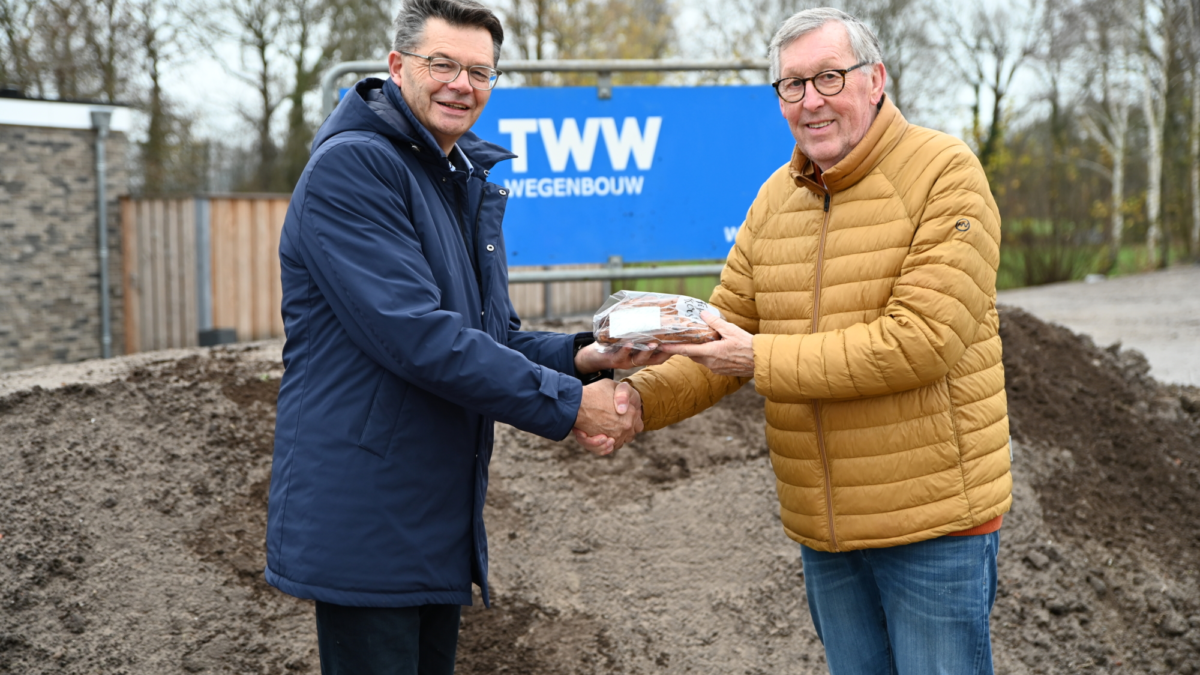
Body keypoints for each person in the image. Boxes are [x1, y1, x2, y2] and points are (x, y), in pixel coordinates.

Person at [584, 7, 1012, 674]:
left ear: (876, 80)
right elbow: (719, 336)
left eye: (829, 78)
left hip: (932, 526)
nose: (810, 100)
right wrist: (638, 403)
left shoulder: (944, 173)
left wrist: (756, 356)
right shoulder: (772, 203)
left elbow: (922, 341)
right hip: (826, 531)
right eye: (792, 85)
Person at [264, 1, 659, 673]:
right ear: (396, 67)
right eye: (441, 64)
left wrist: (585, 356)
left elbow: (489, 335)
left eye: (479, 71)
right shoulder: (354, 169)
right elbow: (419, 336)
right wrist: (569, 405)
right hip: (369, 515)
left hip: (429, 513)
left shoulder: (456, 178)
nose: (461, 84)